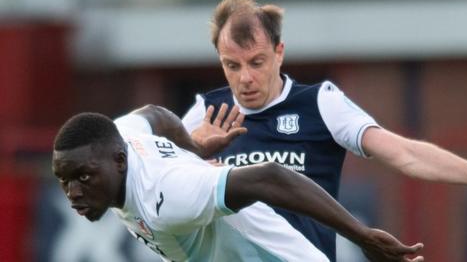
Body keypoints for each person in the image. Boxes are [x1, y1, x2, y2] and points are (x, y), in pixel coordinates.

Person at [181, 0, 467, 261]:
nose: (245, 77)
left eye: (256, 62)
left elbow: (405, 154)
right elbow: (151, 181)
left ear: (279, 52)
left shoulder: (321, 103)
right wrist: (190, 150)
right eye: (232, 65)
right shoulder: (204, 114)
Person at [51, 104, 425, 262]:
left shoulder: (167, 195)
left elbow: (270, 176)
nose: (74, 193)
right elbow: (156, 115)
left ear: (119, 161)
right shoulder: (120, 135)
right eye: (64, 180)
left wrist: (363, 237)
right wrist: (192, 147)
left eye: (83, 177)